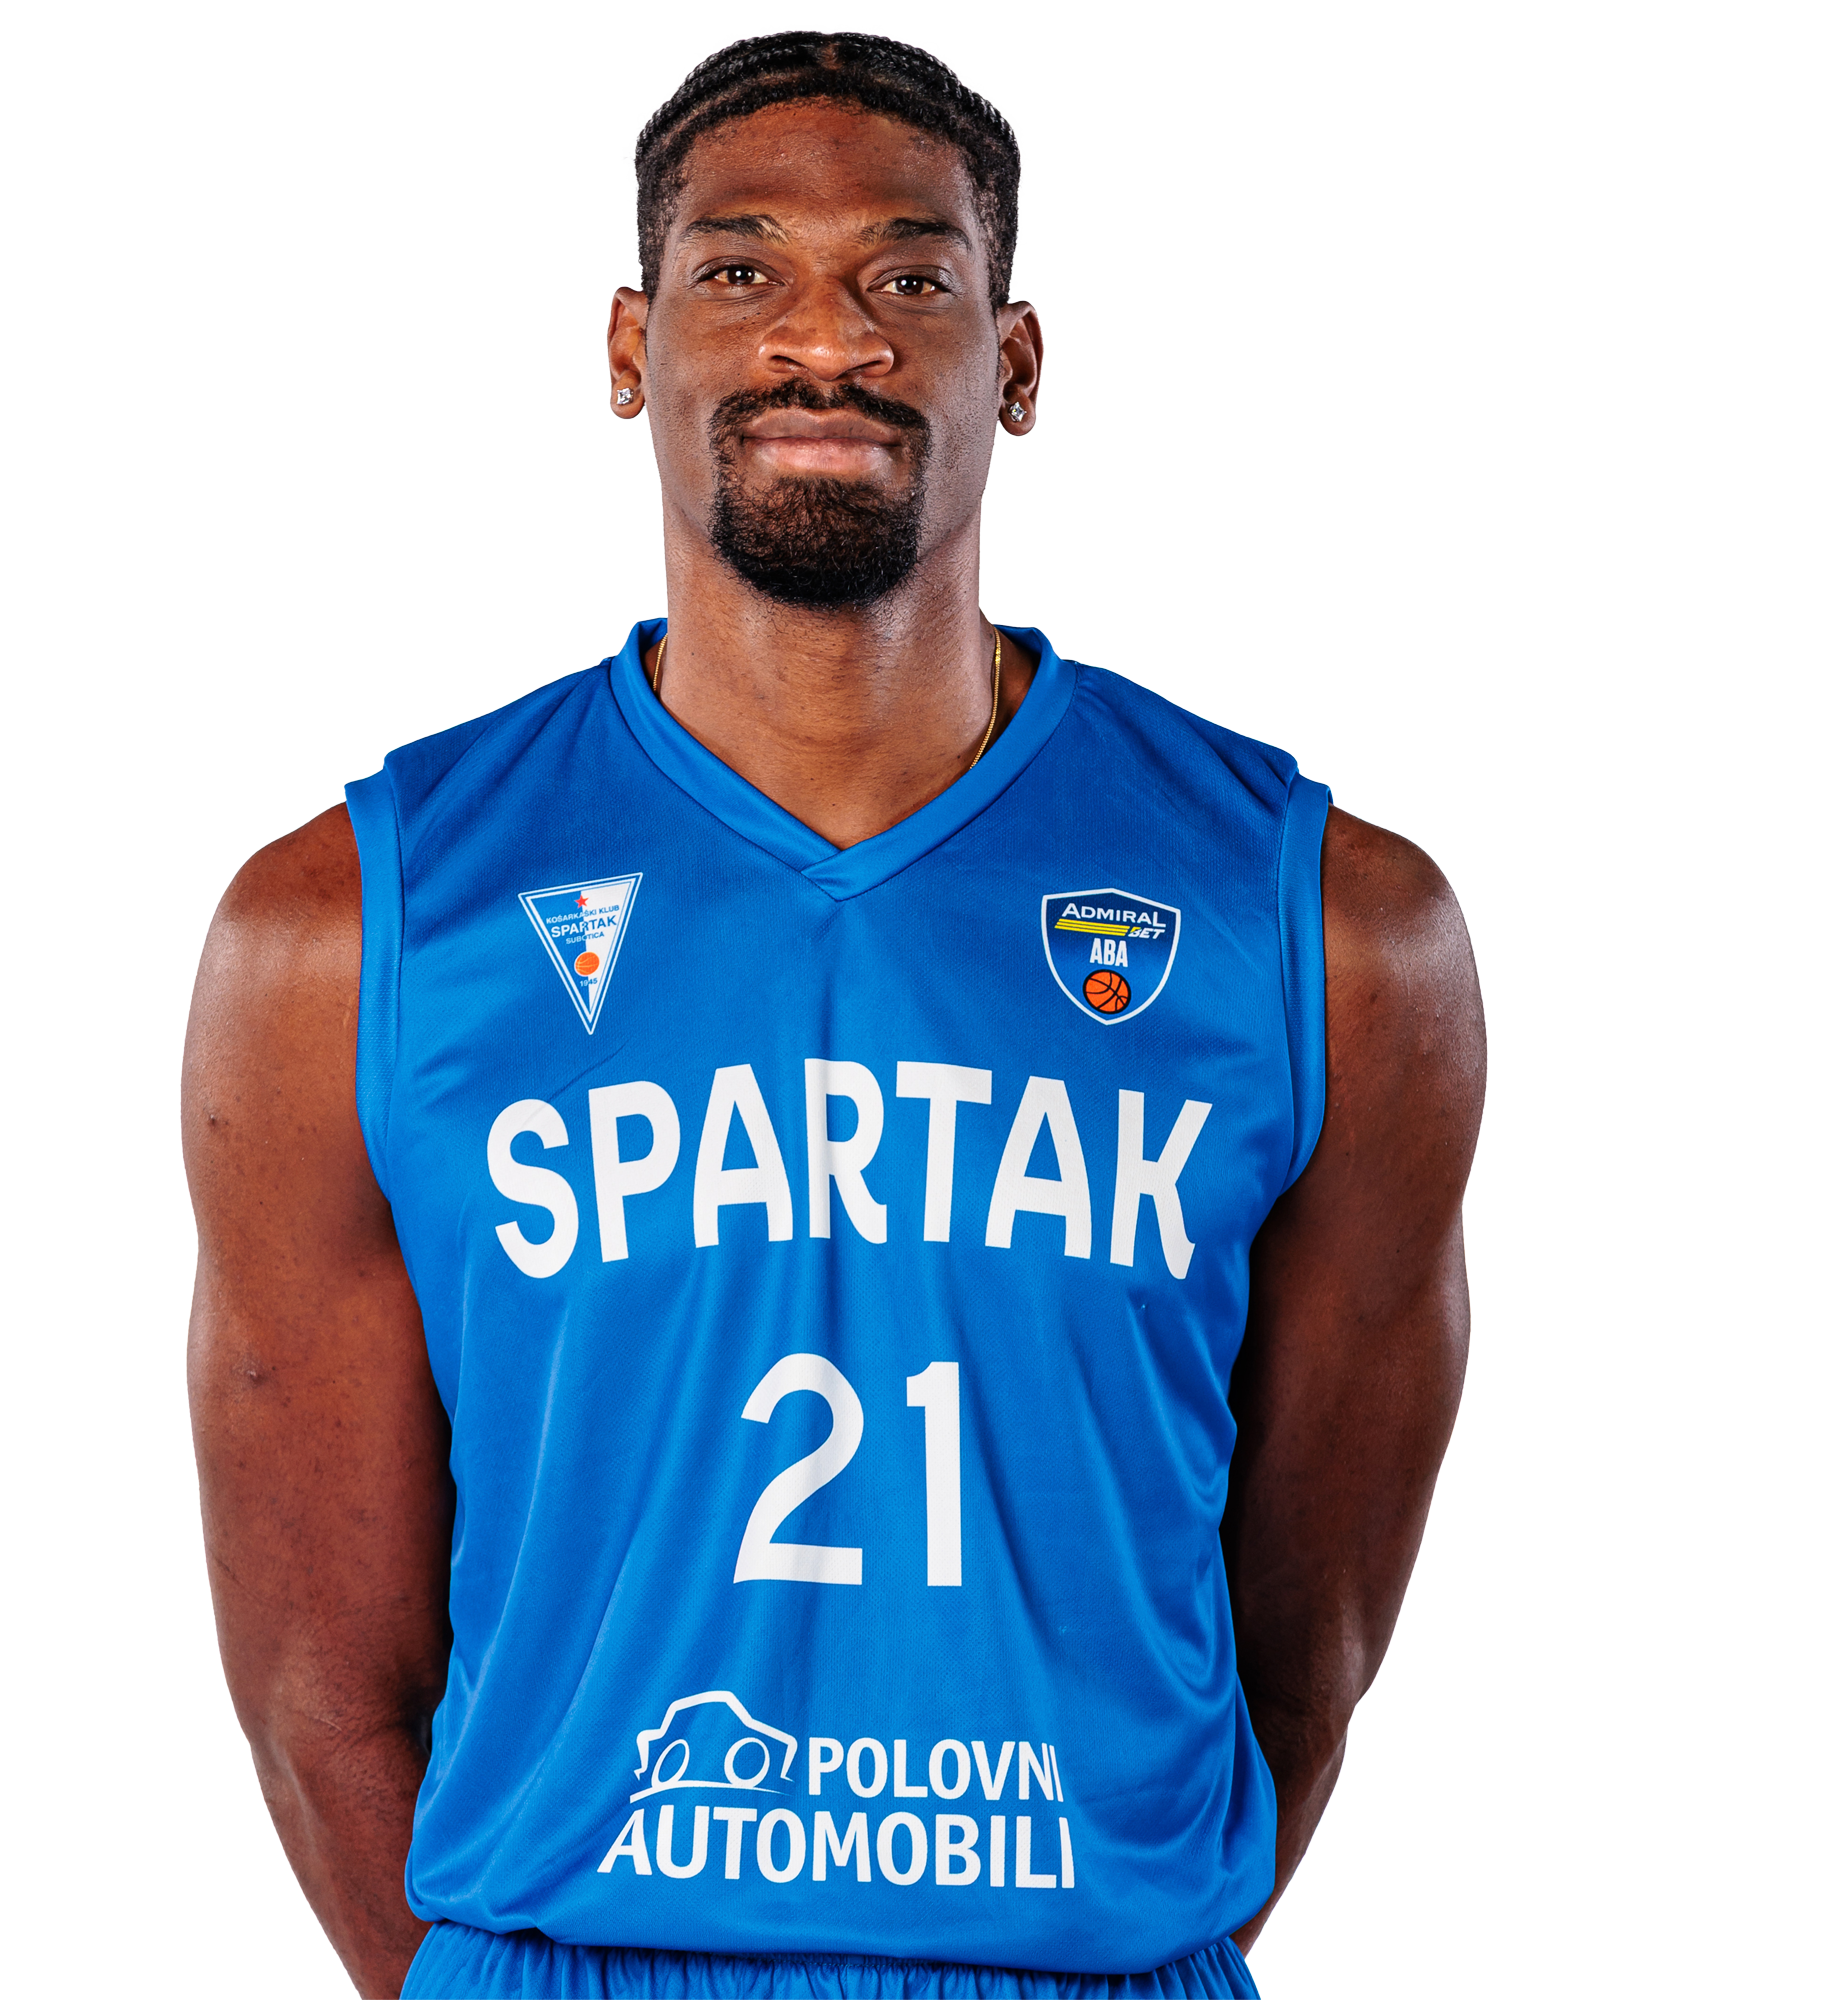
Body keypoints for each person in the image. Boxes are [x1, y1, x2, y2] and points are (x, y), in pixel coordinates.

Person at [184, 29, 1485, 2000]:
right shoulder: (352, 931)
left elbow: (1310, 1647)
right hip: (577, 1958)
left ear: (1011, 362)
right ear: (631, 347)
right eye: (740, 269)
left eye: (908, 276)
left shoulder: (1329, 932)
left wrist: (1081, 1934)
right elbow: (315, 1691)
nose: (826, 337)